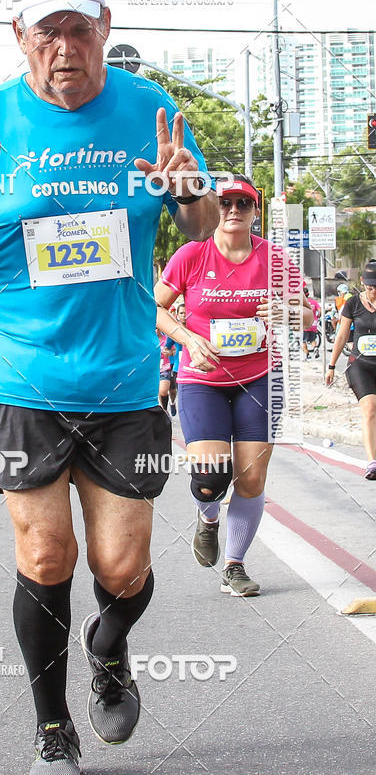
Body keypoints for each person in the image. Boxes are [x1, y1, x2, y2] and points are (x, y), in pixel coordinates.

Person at [0, 0, 218, 774]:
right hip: (20, 378)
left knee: (123, 565)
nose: (63, 47)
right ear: (20, 38)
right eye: (45, 32)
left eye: (78, 29)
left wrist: (189, 188)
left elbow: (200, 224)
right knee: (46, 556)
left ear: (104, 29)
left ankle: (108, 648)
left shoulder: (151, 111)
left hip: (122, 378)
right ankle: (53, 723)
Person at [155, 175, 313, 598]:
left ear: (255, 211)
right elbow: (154, 306)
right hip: (202, 378)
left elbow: (308, 318)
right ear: (214, 208)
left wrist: (285, 310)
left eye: (243, 203)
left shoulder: (275, 259)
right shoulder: (191, 254)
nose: (233, 211)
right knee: (210, 478)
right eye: (224, 203)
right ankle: (207, 519)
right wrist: (188, 338)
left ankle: (235, 565)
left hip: (259, 378)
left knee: (250, 478)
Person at [326, 259, 376, 480]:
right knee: (370, 408)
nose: (373, 291)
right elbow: (342, 336)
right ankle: (372, 462)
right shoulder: (353, 303)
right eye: (370, 287)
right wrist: (331, 365)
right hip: (360, 365)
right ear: (363, 283)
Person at [164, 303, 186, 415]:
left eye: (186, 313)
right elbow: (166, 347)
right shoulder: (174, 331)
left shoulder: (196, 328)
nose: (184, 316)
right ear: (177, 315)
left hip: (197, 368)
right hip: (179, 368)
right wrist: (168, 352)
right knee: (181, 394)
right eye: (181, 313)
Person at [302, 285, 321, 359]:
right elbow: (320, 311)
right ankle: (315, 347)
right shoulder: (314, 302)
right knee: (313, 339)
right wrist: (318, 316)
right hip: (313, 323)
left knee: (303, 341)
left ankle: (307, 355)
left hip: (305, 324)